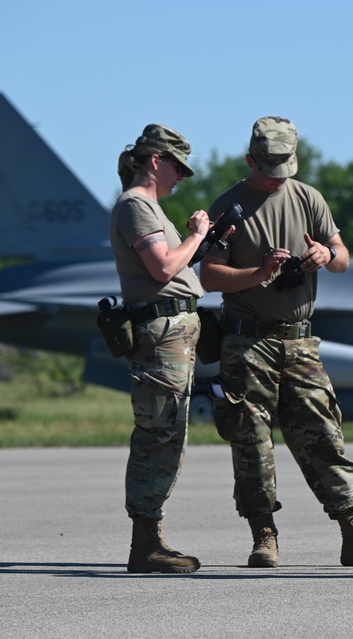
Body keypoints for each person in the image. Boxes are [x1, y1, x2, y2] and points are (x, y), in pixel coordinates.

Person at [199, 116, 353, 568]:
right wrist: (259, 273)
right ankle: (264, 535)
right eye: (269, 165)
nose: (277, 174)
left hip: (301, 343)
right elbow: (209, 276)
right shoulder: (229, 207)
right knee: (251, 441)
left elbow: (343, 257)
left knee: (324, 436)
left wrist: (325, 255)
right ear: (251, 159)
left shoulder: (308, 197)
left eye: (284, 164)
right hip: (247, 344)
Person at [111, 124, 220, 574]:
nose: (180, 177)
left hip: (173, 334)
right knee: (158, 435)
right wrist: (196, 235)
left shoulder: (149, 206)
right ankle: (145, 545)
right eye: (177, 167)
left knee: (168, 433)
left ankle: (149, 540)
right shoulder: (137, 205)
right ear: (156, 160)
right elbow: (161, 268)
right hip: (160, 337)